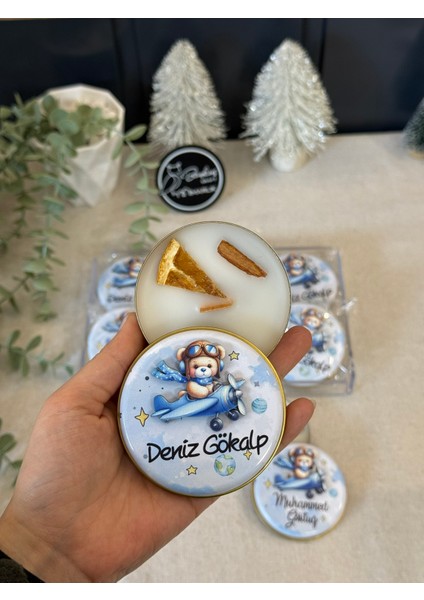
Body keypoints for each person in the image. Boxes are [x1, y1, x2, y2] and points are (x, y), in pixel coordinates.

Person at [0, 313, 315, 583]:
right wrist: (37, 541)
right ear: (190, 369)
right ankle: (172, 408)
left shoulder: (218, 382)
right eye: (198, 366)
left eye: (208, 366)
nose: (203, 370)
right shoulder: (190, 383)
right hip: (188, 406)